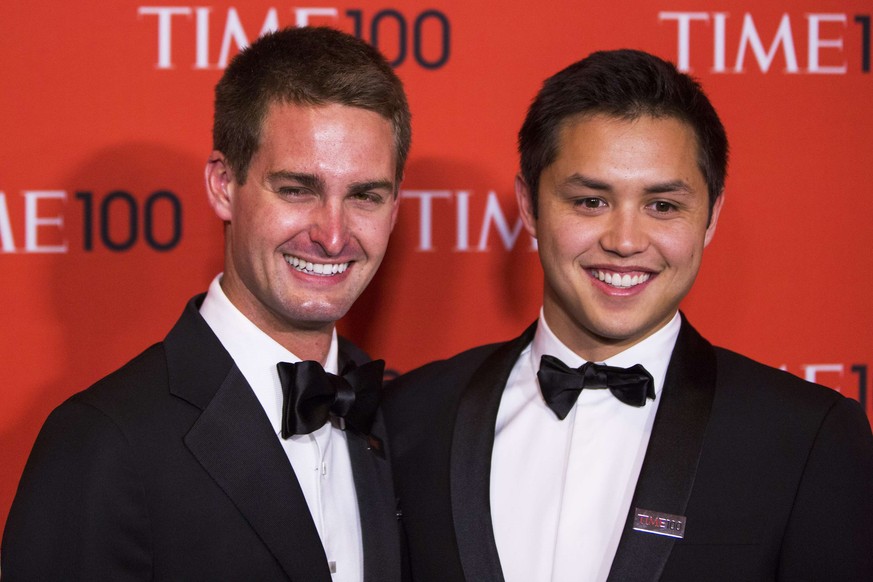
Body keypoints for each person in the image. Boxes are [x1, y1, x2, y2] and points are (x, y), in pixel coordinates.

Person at [383, 49, 873, 582]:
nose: (624, 241)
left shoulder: (806, 439)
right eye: (591, 201)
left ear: (710, 216)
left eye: (662, 206)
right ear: (530, 206)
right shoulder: (413, 417)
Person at [2, 26, 410, 581]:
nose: (333, 236)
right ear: (223, 185)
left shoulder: (405, 417)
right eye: (297, 189)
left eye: (364, 195)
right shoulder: (104, 440)